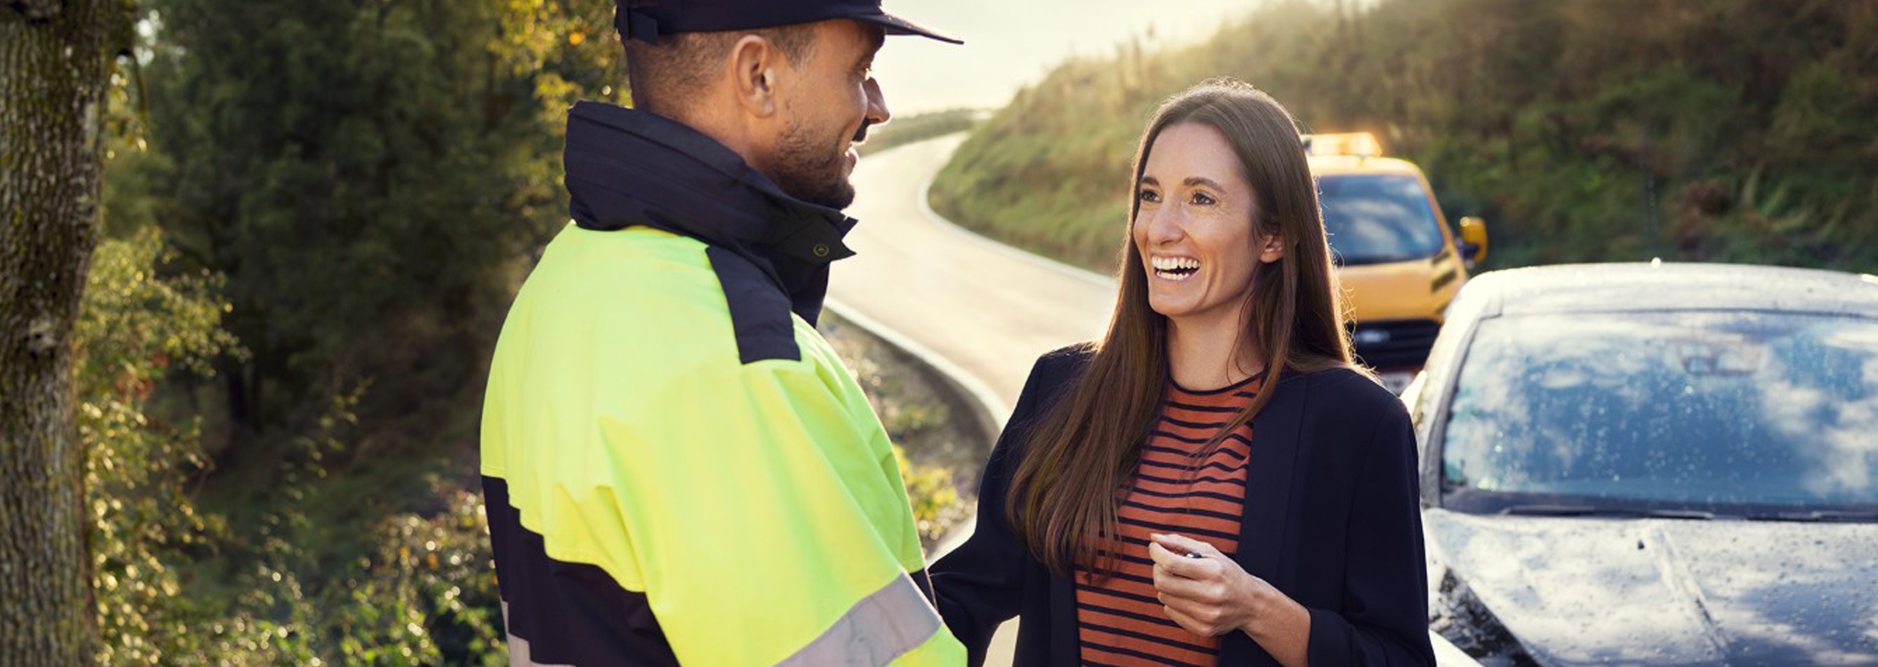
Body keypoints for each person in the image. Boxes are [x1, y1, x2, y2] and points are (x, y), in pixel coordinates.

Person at [478, 1, 967, 665]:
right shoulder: (741, 365)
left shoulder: (559, 283)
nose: (876, 106)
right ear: (758, 75)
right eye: (859, 71)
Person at [930, 79, 1436, 667]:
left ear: (1273, 235)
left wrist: (1256, 609)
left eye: (1200, 199)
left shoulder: (1358, 423)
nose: (1160, 228)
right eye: (1150, 195)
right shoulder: (1059, 390)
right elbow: (963, 597)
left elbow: (1398, 657)